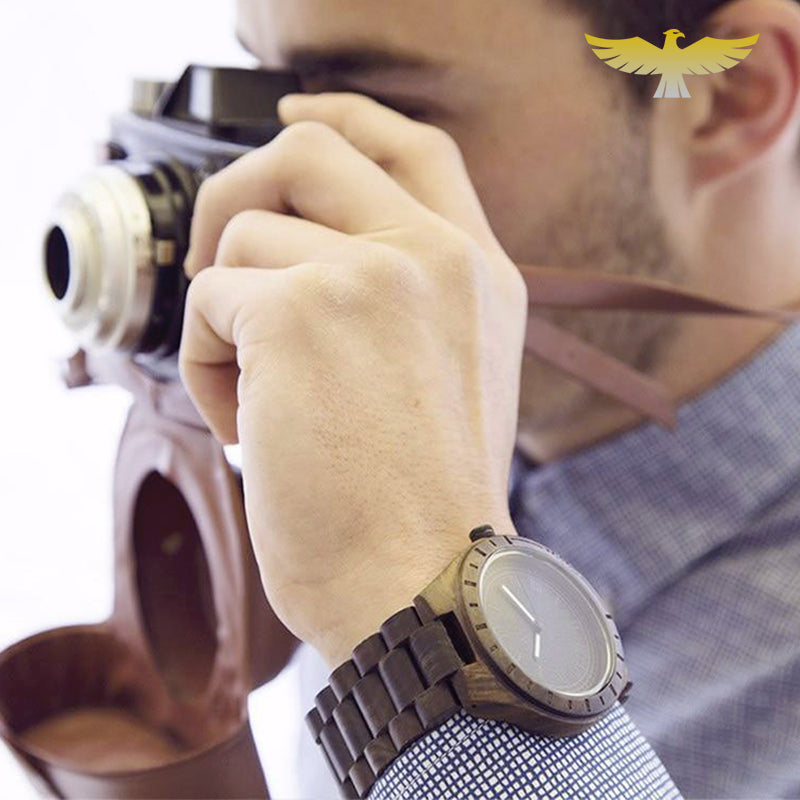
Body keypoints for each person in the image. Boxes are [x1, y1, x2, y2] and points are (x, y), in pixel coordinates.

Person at [178, 0, 800, 797]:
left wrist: (420, 602)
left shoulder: (399, 559)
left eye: (384, 109)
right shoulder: (392, 423)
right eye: (260, 97)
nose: (276, 181)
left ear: (728, 90)